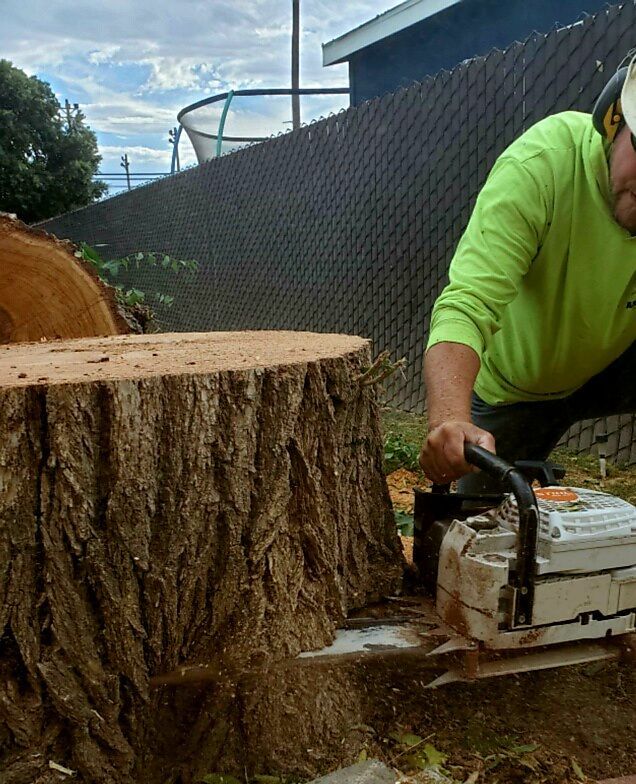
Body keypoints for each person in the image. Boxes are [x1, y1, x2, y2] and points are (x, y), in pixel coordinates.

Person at [419, 52, 636, 492]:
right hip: (514, 390)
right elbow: (467, 303)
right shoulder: (543, 164)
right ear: (613, 118)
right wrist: (450, 420)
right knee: (481, 525)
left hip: (614, 366)